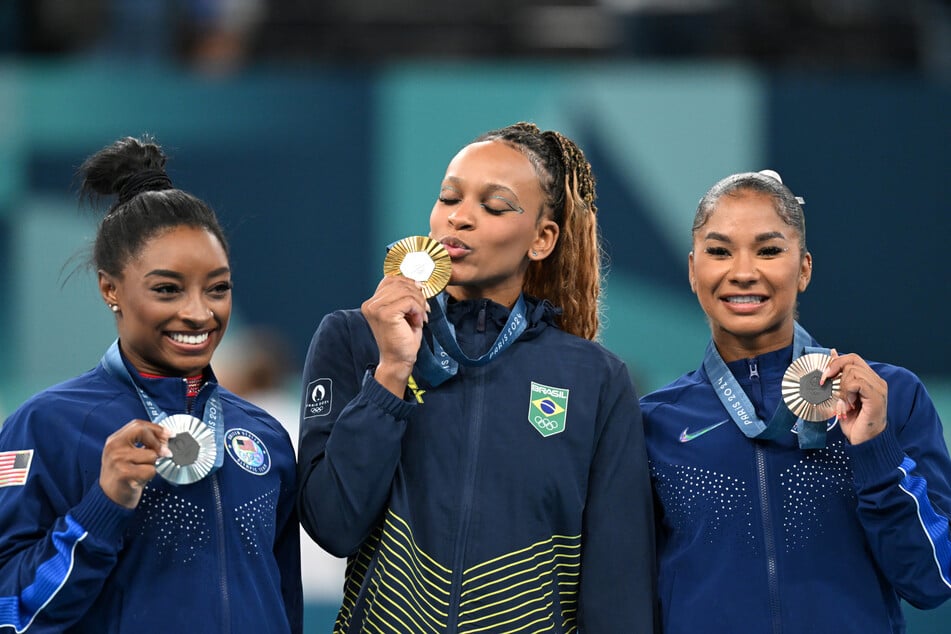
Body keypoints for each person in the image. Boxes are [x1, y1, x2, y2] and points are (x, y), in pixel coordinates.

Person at [297, 122, 657, 633]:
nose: (459, 218)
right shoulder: (354, 339)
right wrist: (392, 373)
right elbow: (333, 524)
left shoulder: (595, 379)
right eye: (449, 198)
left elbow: (617, 590)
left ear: (542, 239)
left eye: (494, 206)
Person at [0, 136, 302, 633]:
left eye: (218, 288)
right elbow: (11, 612)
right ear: (110, 289)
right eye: (167, 289)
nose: (199, 312)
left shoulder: (264, 435)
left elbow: (284, 601)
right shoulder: (46, 424)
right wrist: (103, 504)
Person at [641, 170, 951, 633]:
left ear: (803, 268)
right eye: (719, 251)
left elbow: (933, 581)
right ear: (692, 270)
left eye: (769, 250)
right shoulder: (654, 423)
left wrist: (876, 451)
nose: (743, 272)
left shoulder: (888, 398)